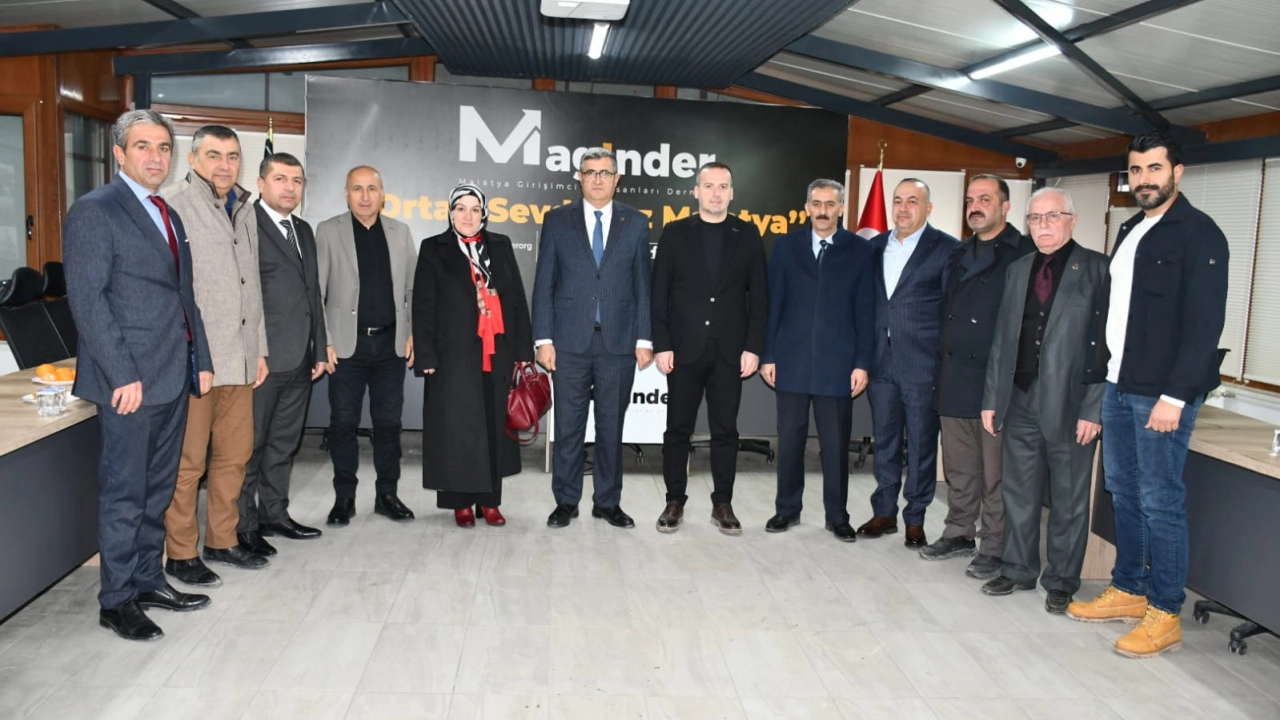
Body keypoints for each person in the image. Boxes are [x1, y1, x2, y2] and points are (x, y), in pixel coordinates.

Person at [1068, 132, 1229, 658]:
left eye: (1154, 169)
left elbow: (1204, 325)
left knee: (1161, 500)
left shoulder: (1200, 234)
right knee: (1123, 490)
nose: (1144, 180)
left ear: (1177, 172)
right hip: (1119, 383)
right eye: (1136, 170)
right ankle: (1129, 588)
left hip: (1161, 393)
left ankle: (1165, 611)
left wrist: (1175, 398)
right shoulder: (1132, 229)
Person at [63, 109, 214, 641]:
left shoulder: (166, 213)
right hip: (128, 382)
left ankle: (149, 580)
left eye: (163, 147)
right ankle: (117, 599)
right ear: (120, 154)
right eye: (143, 146)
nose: (156, 156)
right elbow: (88, 301)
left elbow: (183, 296)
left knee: (158, 489)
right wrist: (121, 373)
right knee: (125, 494)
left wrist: (202, 359)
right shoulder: (95, 210)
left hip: (172, 374)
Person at [979, 187, 1107, 614]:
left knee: (1069, 500)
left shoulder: (1097, 270)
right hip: (1019, 398)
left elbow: (1106, 347)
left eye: (1053, 216)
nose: (1043, 226)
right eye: (1035, 218)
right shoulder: (1018, 270)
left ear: (1073, 220)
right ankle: (1018, 568)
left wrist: (1093, 408)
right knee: (1019, 492)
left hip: (1072, 406)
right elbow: (1002, 340)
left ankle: (1061, 579)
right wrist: (992, 398)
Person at [162, 125, 269, 587]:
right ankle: (181, 553)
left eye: (232, 156)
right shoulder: (173, 206)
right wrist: (188, 354)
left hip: (241, 360)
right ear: (192, 160)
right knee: (189, 464)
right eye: (214, 156)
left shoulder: (244, 208)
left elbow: (252, 285)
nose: (224, 165)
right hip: (197, 362)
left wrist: (259, 350)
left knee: (234, 456)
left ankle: (221, 541)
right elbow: (171, 291)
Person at [532, 147, 654, 529]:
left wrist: (645, 339)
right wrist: (543, 338)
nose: (597, 179)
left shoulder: (636, 222)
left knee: (611, 428)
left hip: (618, 343)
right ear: (579, 178)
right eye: (590, 172)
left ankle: (607, 502)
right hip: (568, 343)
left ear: (617, 179)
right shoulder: (557, 220)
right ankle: (566, 501)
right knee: (568, 427)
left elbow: (643, 285)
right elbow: (544, 282)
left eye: (604, 173)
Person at [920, 175, 1034, 579]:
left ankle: (995, 545)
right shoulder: (959, 251)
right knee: (960, 467)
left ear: (1005, 206)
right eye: (971, 199)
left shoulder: (1024, 252)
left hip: (995, 380)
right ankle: (959, 532)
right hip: (954, 376)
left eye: (985, 199)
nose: (975, 206)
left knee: (995, 472)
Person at [651, 162, 767, 535]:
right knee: (677, 430)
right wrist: (662, 344)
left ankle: (723, 503)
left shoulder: (747, 234)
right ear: (696, 191)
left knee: (725, 431)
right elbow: (659, 294)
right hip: (683, 349)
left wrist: (753, 346)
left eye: (723, 186)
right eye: (709, 185)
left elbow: (759, 296)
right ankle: (674, 500)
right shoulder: (674, 233)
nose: (716, 193)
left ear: (732, 193)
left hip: (730, 352)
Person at [412, 184, 534, 526]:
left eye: (475, 209)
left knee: (494, 427)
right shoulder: (433, 248)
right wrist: (426, 356)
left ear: (484, 213)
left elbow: (516, 299)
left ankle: (490, 502)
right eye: (461, 209)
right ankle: (461, 502)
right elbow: (423, 305)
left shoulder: (500, 245)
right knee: (457, 428)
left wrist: (523, 350)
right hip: (452, 357)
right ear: (451, 213)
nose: (468, 216)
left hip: (497, 354)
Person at [759, 179, 874, 542]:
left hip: (838, 366)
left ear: (841, 208)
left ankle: (837, 516)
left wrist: (862, 362)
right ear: (807, 207)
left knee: (835, 446)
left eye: (830, 204)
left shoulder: (860, 250)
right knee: (790, 441)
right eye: (817, 203)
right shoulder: (786, 246)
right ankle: (787, 509)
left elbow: (866, 311)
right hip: (790, 360)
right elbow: (773, 304)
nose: (823, 210)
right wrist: (768, 354)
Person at [315, 166, 417, 526]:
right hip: (347, 348)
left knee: (389, 424)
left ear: (382, 193)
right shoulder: (328, 231)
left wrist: (412, 332)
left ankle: (387, 495)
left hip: (390, 347)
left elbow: (412, 289)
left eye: (371, 188)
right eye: (357, 189)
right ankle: (344, 498)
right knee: (343, 424)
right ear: (346, 193)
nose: (364, 196)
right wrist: (325, 340)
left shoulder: (401, 232)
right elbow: (317, 292)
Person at [236, 152, 327, 557]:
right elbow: (242, 296)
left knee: (283, 443)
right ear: (260, 183)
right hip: (263, 359)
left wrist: (319, 346)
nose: (290, 188)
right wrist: (255, 350)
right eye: (280, 179)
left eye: (297, 181)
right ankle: (242, 526)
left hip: (301, 357)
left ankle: (274, 514)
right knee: (250, 446)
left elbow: (312, 293)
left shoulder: (302, 229)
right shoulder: (245, 224)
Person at [860, 179, 958, 547]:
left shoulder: (947, 249)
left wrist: (942, 367)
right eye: (898, 200)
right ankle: (884, 511)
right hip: (879, 363)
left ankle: (915, 517)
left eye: (912, 201)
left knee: (921, 444)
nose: (903, 208)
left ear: (928, 208)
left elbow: (951, 311)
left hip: (922, 365)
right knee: (884, 441)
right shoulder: (873, 247)